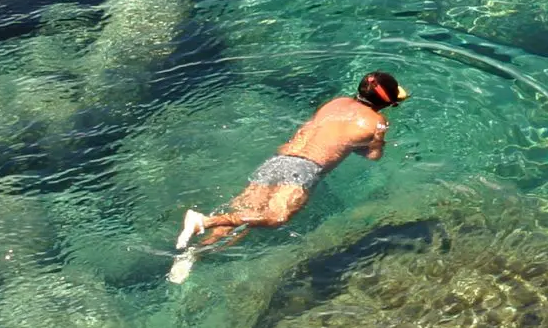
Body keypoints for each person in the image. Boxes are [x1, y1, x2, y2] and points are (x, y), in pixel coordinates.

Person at [171, 71, 405, 283]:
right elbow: (374, 156)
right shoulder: (377, 122)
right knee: (276, 217)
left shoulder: (335, 103)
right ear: (387, 102)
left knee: (244, 218)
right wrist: (372, 138)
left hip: (279, 160)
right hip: (305, 167)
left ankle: (194, 255)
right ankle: (204, 222)